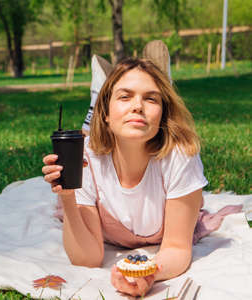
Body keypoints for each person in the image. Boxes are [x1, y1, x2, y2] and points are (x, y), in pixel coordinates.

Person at [42, 57, 208, 297]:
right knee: (90, 136)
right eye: (125, 96)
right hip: (99, 141)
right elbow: (87, 258)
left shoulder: (180, 156)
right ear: (106, 113)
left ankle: (141, 81)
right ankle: (96, 100)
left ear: (163, 114)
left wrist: (147, 274)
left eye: (151, 98)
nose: (138, 106)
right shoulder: (85, 157)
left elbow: (176, 248)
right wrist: (68, 196)